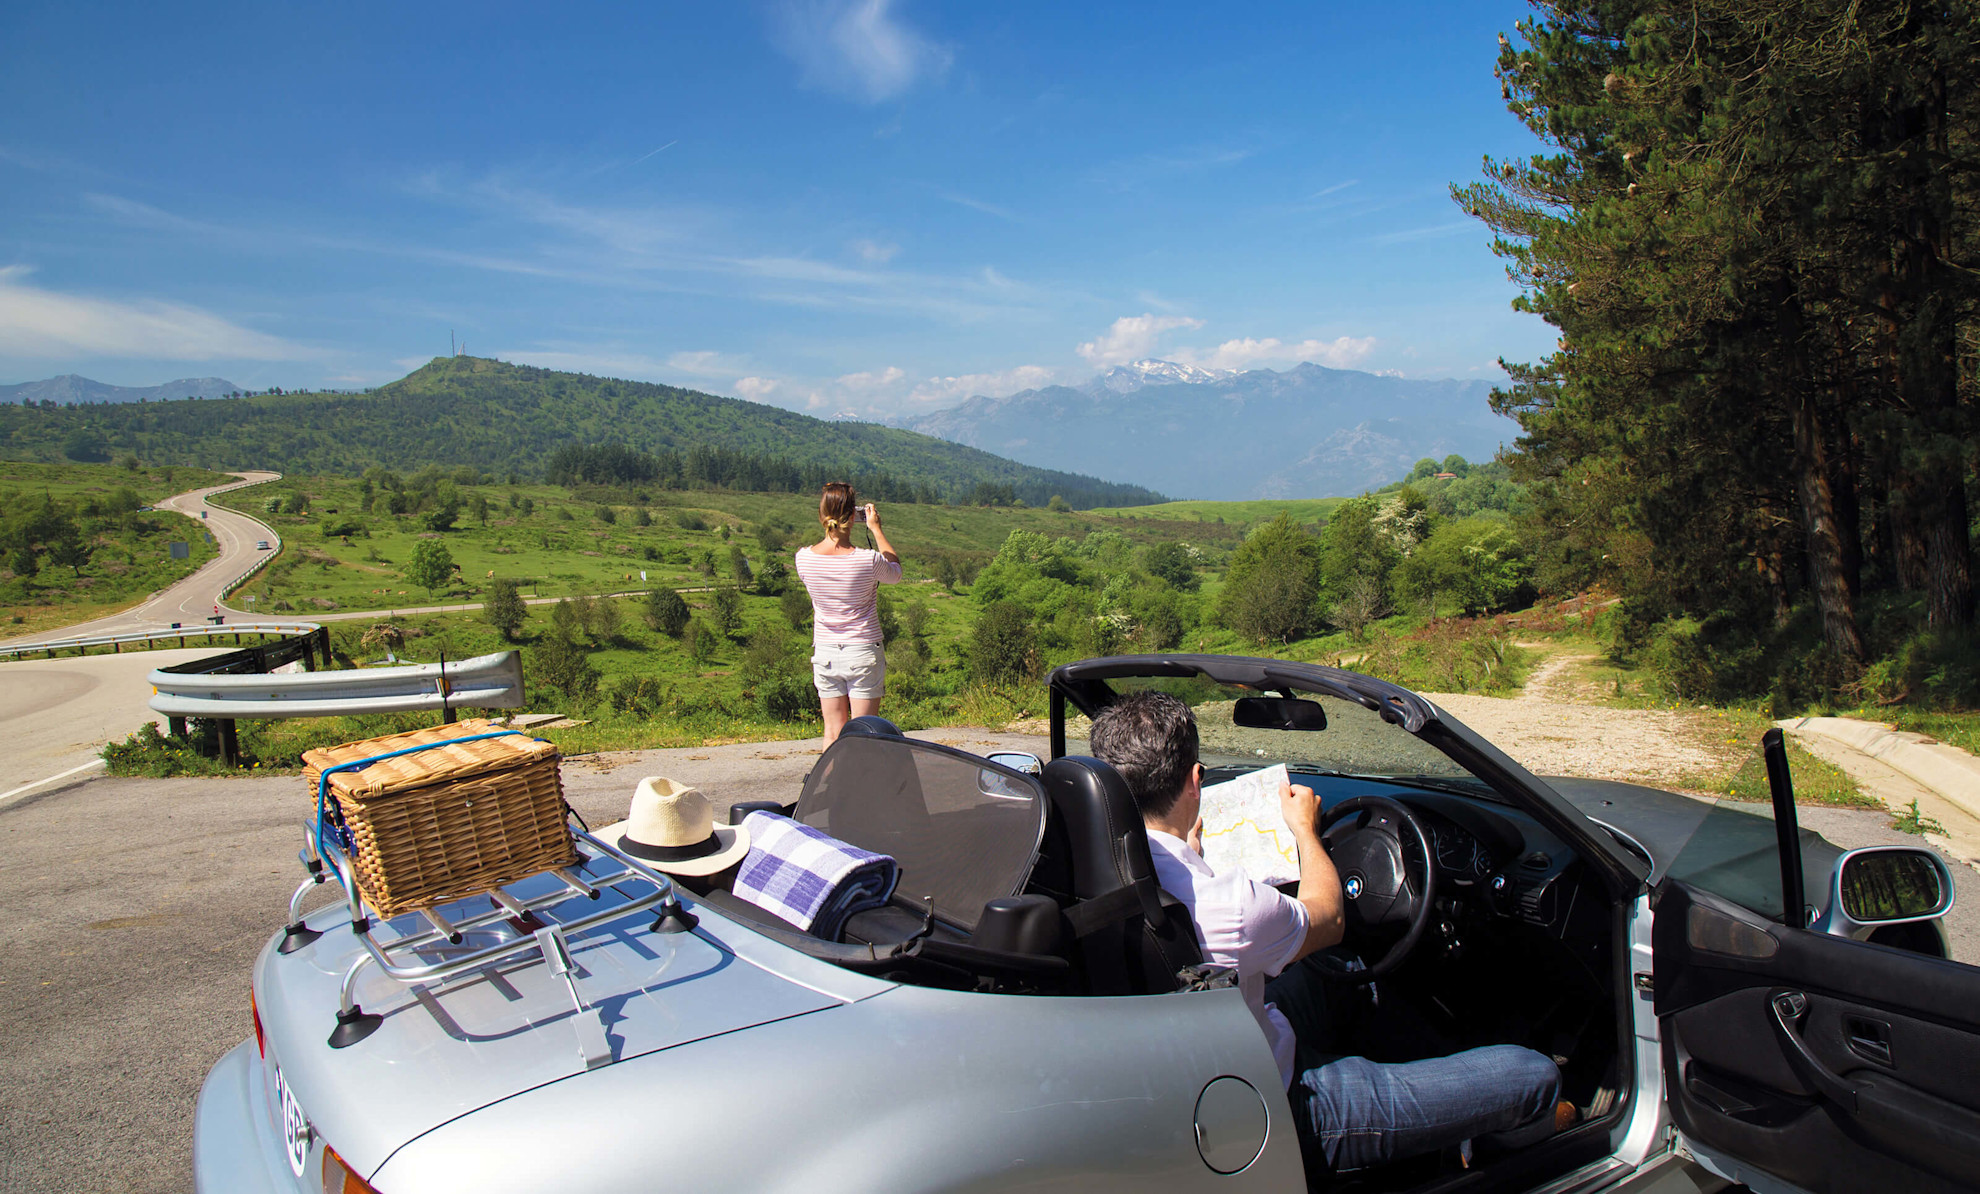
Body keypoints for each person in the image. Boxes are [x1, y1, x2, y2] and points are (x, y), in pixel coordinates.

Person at [1088, 691, 1565, 1175]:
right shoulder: (1230, 906)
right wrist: (1306, 833)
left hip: (1208, 1070)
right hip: (1278, 1108)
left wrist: (1188, 846)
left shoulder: (1096, 873)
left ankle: (1445, 1090)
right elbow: (1330, 917)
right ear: (1196, 782)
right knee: (1534, 1075)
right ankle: (1485, 1143)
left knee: (1350, 975)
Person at [795, 482, 902, 747]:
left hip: (826, 653)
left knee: (832, 734)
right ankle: (862, 787)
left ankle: (832, 787)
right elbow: (895, 573)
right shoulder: (867, 560)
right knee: (864, 735)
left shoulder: (803, 558)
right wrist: (876, 529)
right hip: (862, 651)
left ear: (822, 516)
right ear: (853, 518)